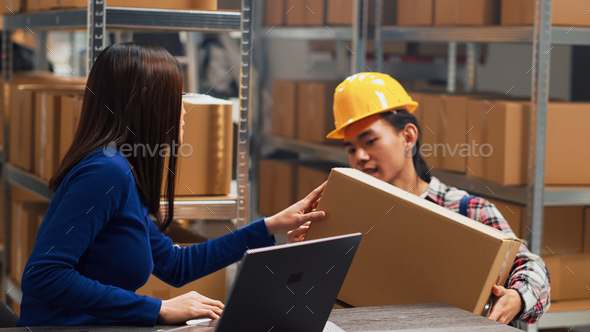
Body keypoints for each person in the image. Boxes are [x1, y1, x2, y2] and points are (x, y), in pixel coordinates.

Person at [17, 43, 326, 327]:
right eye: (177, 97)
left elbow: (175, 265)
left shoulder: (121, 171)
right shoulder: (106, 172)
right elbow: (44, 275)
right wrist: (157, 308)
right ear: (146, 99)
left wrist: (272, 225)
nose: (184, 109)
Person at [288, 73, 550, 326]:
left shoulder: (465, 209)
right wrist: (298, 257)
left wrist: (517, 297)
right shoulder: (341, 218)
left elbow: (530, 266)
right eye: (352, 148)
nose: (360, 156)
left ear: (408, 137)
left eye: (370, 141)